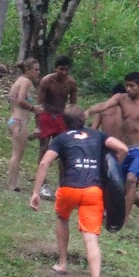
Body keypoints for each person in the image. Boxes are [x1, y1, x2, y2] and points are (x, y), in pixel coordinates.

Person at [30, 105, 128, 277]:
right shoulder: (98, 135)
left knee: (62, 217)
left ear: (64, 122)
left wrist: (35, 192)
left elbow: (44, 163)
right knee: (91, 240)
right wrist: (112, 171)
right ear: (84, 118)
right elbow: (122, 149)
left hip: (69, 189)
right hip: (93, 191)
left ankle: (63, 263)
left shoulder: (62, 138)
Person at [85, 72, 139, 227]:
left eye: (132, 86)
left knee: (131, 180)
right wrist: (88, 111)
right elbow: (104, 105)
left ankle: (123, 220)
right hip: (124, 149)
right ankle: (130, 212)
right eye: (127, 85)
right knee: (116, 183)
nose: (128, 89)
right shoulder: (120, 99)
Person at [93, 83, 139, 221]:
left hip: (122, 152)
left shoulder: (127, 113)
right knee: (110, 182)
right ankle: (106, 210)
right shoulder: (103, 111)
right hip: (107, 151)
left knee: (122, 184)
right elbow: (94, 130)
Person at [35, 56, 78, 200]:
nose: (64, 73)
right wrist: (37, 126)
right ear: (55, 68)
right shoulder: (47, 81)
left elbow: (73, 106)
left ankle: (62, 185)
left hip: (61, 117)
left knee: (63, 152)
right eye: (61, 69)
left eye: (66, 70)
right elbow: (39, 104)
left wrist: (73, 125)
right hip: (46, 115)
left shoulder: (71, 83)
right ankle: (43, 184)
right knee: (44, 148)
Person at [7, 58, 42, 192]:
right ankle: (12, 184)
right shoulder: (26, 82)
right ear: (28, 70)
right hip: (20, 121)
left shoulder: (19, 81)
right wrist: (34, 108)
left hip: (14, 119)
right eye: (36, 69)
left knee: (16, 154)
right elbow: (21, 100)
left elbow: (13, 99)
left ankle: (13, 183)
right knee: (17, 155)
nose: (38, 72)